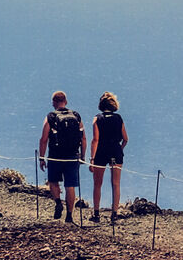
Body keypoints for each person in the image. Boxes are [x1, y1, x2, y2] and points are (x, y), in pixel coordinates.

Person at [38, 91, 86, 221]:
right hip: (72, 156)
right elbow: (84, 138)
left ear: (53, 102)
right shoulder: (75, 116)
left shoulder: (51, 117)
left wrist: (41, 158)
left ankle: (58, 203)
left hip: (55, 156)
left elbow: (44, 139)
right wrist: (83, 156)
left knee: (53, 181)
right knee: (70, 186)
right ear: (66, 101)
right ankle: (69, 215)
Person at [89, 92, 128, 224]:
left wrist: (92, 159)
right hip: (116, 151)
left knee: (97, 184)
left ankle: (96, 213)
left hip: (101, 152)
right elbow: (125, 139)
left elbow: (95, 140)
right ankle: (115, 214)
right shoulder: (118, 118)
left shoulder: (97, 119)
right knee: (116, 184)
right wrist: (119, 150)